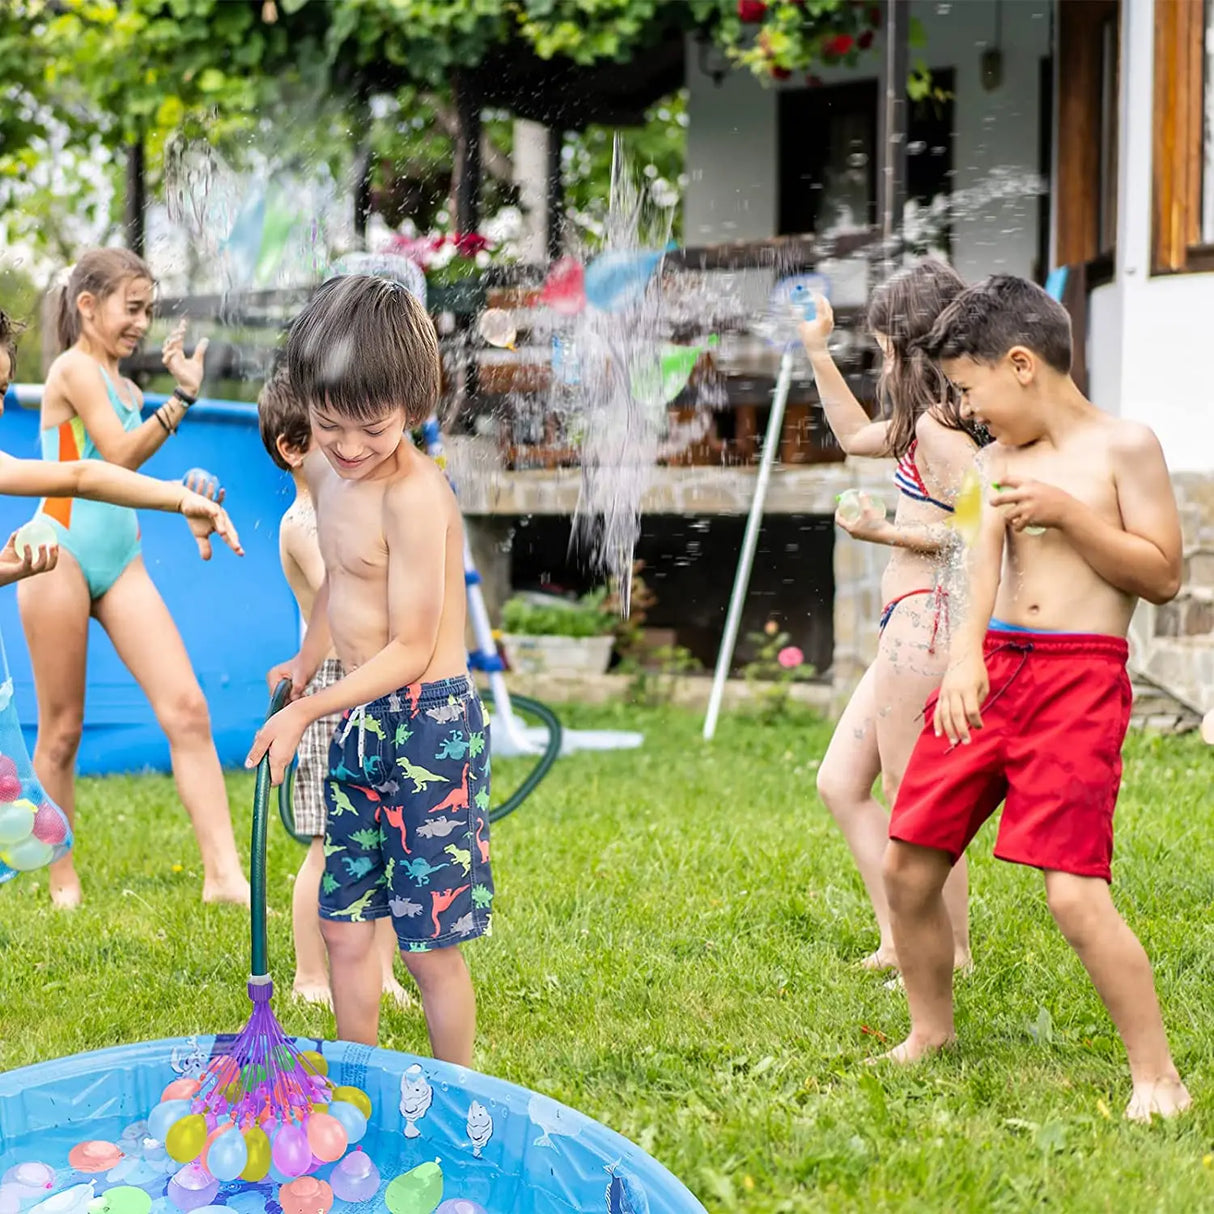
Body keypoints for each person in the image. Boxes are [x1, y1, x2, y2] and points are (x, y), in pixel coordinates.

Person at [877, 275, 1191, 1122]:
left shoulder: (1126, 448)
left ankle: (1157, 1075)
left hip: (1078, 680)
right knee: (908, 861)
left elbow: (1164, 575)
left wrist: (1071, 515)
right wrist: (963, 659)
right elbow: (982, 559)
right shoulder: (993, 461)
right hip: (990, 673)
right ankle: (931, 1029)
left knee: (1073, 894)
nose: (968, 410)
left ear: (1021, 365)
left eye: (970, 389)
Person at [247, 275, 493, 1066]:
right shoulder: (327, 470)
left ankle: (457, 1091)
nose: (349, 447)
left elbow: (412, 647)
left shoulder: (416, 499)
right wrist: (308, 659)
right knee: (343, 925)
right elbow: (341, 585)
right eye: (328, 425)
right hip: (361, 716)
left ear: (415, 406)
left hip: (429, 726)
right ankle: (364, 1082)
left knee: (424, 946)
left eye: (371, 429)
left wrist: (306, 710)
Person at [17, 248, 249, 908]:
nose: (143, 323)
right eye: (133, 307)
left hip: (123, 558)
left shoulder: (127, 388)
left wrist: (173, 401)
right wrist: (182, 398)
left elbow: (126, 461)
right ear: (87, 305)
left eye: (149, 309)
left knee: (188, 709)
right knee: (61, 730)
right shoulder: (71, 369)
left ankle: (223, 876)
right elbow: (115, 455)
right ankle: (63, 878)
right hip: (56, 550)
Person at [798, 260, 980, 971]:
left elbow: (981, 528)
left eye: (886, 351)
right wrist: (819, 349)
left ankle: (952, 949)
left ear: (915, 351)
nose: (882, 363)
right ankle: (902, 934)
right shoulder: (921, 424)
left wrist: (885, 534)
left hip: (930, 621)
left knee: (916, 801)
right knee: (841, 782)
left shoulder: (943, 433)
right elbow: (852, 437)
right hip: (909, 622)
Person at [256, 362, 414, 1010]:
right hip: (329, 695)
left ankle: (380, 974)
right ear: (295, 447)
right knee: (329, 840)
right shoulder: (304, 523)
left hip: (368, 686)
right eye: (331, 432)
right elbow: (342, 590)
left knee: (376, 841)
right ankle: (309, 975)